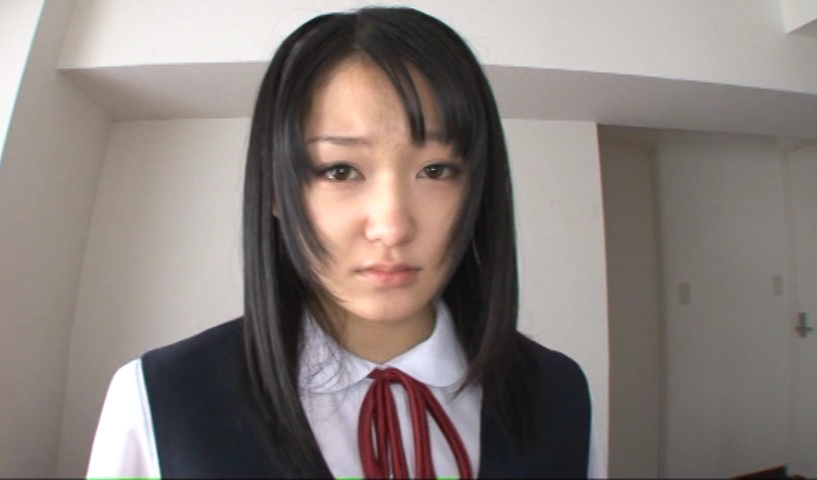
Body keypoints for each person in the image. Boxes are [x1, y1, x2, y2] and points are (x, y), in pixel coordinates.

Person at [87, 6, 601, 479]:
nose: (392, 227)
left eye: (436, 170)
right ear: (277, 191)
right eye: (340, 170)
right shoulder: (159, 399)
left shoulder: (559, 395)